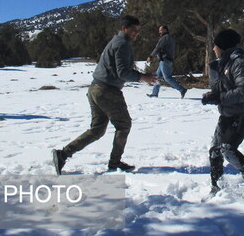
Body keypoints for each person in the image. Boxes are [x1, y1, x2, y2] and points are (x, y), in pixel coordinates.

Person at [52, 15, 157, 174]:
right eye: (134, 30)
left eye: (138, 30)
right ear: (124, 28)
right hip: (107, 90)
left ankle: (63, 154)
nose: (136, 33)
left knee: (97, 130)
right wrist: (143, 77)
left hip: (95, 88)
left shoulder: (117, 42)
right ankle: (114, 164)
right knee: (124, 125)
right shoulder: (122, 44)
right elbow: (123, 73)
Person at [202, 29, 244, 199]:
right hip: (229, 112)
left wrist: (220, 97)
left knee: (228, 149)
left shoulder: (239, 63)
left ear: (222, 46)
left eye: (215, 45)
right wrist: (212, 96)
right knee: (215, 151)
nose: (213, 49)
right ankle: (216, 188)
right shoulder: (222, 63)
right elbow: (222, 88)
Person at [146, 25, 187, 99]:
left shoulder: (164, 38)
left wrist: (151, 56)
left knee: (167, 77)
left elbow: (158, 48)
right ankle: (154, 93)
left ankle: (182, 89)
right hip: (167, 59)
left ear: (165, 30)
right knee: (157, 77)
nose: (159, 32)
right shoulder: (171, 38)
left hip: (165, 60)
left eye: (161, 30)